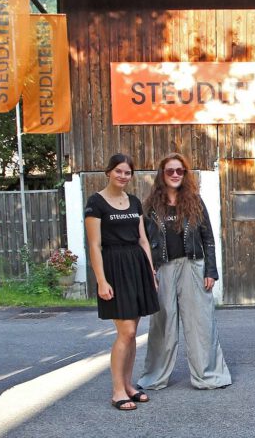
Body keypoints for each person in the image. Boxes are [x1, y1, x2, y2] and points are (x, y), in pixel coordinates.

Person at [138, 153, 231, 390]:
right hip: (163, 269)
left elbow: (208, 238)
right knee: (162, 325)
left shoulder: (195, 202)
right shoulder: (150, 206)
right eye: (170, 170)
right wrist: (149, 273)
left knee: (201, 323)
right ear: (162, 174)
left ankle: (208, 376)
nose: (175, 174)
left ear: (185, 174)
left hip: (193, 266)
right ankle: (155, 377)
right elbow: (143, 242)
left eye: (180, 171)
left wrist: (210, 270)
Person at [84, 153, 160, 411]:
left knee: (133, 333)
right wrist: (101, 280)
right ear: (108, 172)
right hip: (114, 267)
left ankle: (128, 385)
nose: (123, 176)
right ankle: (117, 390)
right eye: (118, 171)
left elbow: (143, 240)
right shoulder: (96, 202)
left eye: (127, 172)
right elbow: (94, 245)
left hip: (137, 265)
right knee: (125, 332)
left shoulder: (134, 201)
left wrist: (150, 272)